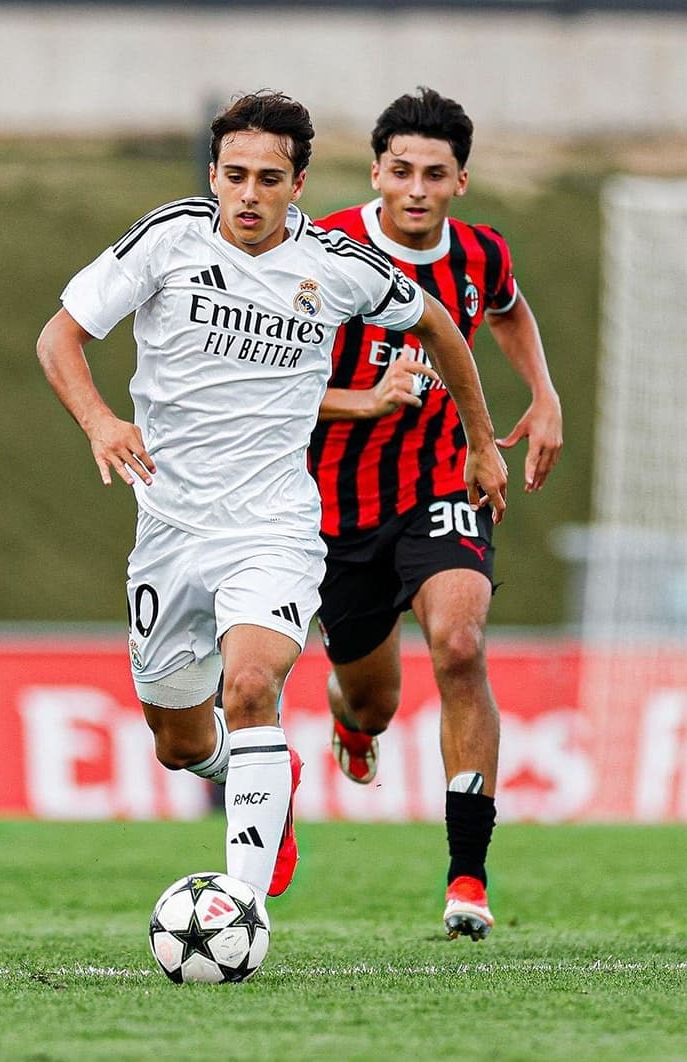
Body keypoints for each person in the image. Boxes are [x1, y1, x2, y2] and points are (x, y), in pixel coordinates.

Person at [36, 90, 507, 914]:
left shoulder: (335, 264)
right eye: (235, 175)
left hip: (276, 527)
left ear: (298, 185)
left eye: (269, 178)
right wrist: (100, 419)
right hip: (170, 527)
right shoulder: (169, 239)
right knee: (179, 743)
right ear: (214, 175)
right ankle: (268, 771)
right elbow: (60, 337)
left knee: (251, 686)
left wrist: (477, 437)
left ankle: (239, 907)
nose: (248, 194)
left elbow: (437, 323)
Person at [309, 87, 562, 940]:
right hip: (337, 504)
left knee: (460, 643)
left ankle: (468, 877)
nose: (416, 189)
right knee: (372, 697)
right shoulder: (322, 251)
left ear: (461, 180)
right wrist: (365, 399)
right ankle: (352, 720)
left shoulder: (482, 252)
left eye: (435, 174)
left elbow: (508, 309)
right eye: (402, 171)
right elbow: (272, 386)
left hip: (445, 486)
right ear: (376, 171)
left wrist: (545, 393)